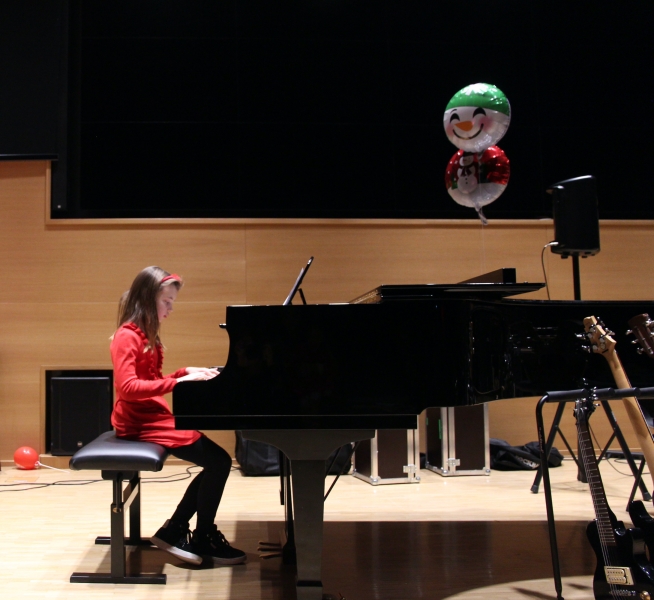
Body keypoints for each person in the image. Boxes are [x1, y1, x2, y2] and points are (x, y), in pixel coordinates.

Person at [110, 265, 246, 566]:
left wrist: (185, 373)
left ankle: (177, 530)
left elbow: (151, 380)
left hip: (151, 415)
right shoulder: (126, 337)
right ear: (148, 299)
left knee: (217, 461)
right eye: (167, 301)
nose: (170, 308)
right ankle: (198, 536)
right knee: (219, 461)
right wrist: (179, 382)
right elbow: (128, 388)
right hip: (137, 421)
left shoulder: (146, 334)